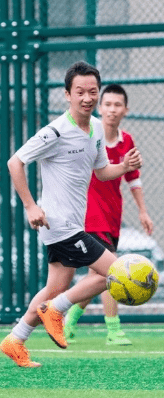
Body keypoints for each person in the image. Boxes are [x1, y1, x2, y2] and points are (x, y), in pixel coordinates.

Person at [0, 61, 142, 368]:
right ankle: (56, 309)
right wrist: (30, 206)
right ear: (67, 94)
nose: (87, 98)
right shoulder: (56, 131)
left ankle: (15, 339)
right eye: (80, 92)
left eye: (93, 91)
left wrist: (124, 167)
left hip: (72, 224)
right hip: (58, 223)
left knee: (55, 288)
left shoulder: (95, 129)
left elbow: (102, 172)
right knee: (116, 273)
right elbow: (15, 162)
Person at [64, 84, 154, 345]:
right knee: (111, 273)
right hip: (90, 215)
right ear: (100, 108)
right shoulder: (91, 135)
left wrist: (143, 212)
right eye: (108, 104)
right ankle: (113, 330)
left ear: (126, 110)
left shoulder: (127, 141)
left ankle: (68, 319)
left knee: (97, 277)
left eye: (117, 105)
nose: (112, 109)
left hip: (113, 216)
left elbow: (133, 178)